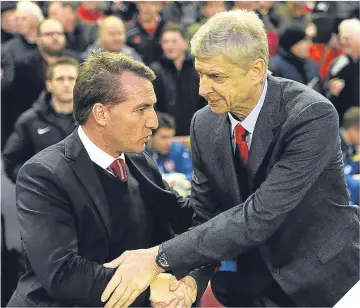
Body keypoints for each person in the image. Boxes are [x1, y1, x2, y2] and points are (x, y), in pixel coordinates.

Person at [99, 10, 359, 308]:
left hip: (333, 283)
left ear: (257, 69)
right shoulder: (204, 123)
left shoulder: (311, 114)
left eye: (216, 77)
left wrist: (158, 258)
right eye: (200, 74)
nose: (203, 89)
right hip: (259, 284)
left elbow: (260, 216)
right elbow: (206, 216)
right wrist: (191, 282)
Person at [6, 52, 196, 308]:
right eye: (141, 109)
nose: (152, 122)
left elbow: (184, 216)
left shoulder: (140, 162)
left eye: (152, 107)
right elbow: (62, 273)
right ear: (101, 114)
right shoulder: (43, 174)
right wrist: (152, 287)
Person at [3, 57, 79, 183]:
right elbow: (12, 162)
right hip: (45, 198)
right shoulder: (29, 121)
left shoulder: (92, 118)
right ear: (49, 85)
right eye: (60, 79)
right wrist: (38, 183)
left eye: (71, 79)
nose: (66, 84)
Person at [151, 24, 206, 136]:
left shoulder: (198, 68)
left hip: (196, 132)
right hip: (166, 136)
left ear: (185, 43)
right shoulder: (155, 70)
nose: (169, 46)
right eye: (165, 42)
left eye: (174, 41)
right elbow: (153, 105)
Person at [324, 18, 360, 126]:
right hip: (345, 124)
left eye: (348, 38)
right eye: (342, 38)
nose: (343, 42)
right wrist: (332, 91)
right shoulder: (336, 64)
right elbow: (327, 94)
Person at [270, 24, 322, 92]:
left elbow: (322, 92)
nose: (310, 44)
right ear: (294, 44)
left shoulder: (312, 65)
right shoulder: (275, 66)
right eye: (306, 40)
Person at [146, 112, 193, 181]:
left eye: (171, 137)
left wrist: (179, 179)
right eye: (164, 137)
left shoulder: (178, 149)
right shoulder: (141, 153)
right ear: (151, 136)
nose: (168, 142)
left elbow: (190, 174)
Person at [340, 107, 360, 205]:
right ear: (354, 129)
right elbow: (341, 177)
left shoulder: (348, 145)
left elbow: (348, 167)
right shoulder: (334, 144)